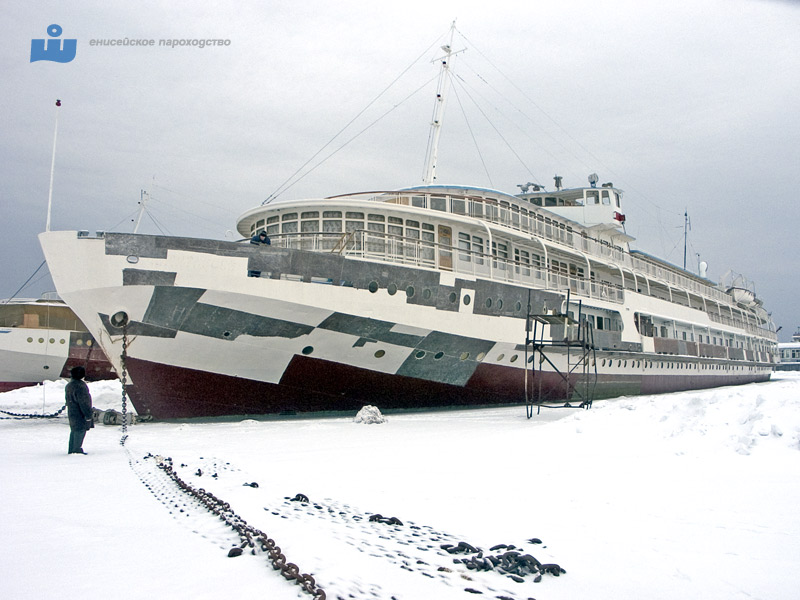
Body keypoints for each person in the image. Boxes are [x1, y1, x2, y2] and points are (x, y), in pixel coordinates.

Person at [65, 366, 93, 455]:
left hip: (72, 411)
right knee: (80, 430)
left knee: (74, 431)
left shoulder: (69, 385)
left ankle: (72, 449)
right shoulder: (81, 386)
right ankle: (76, 449)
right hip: (80, 413)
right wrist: (88, 415)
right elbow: (84, 402)